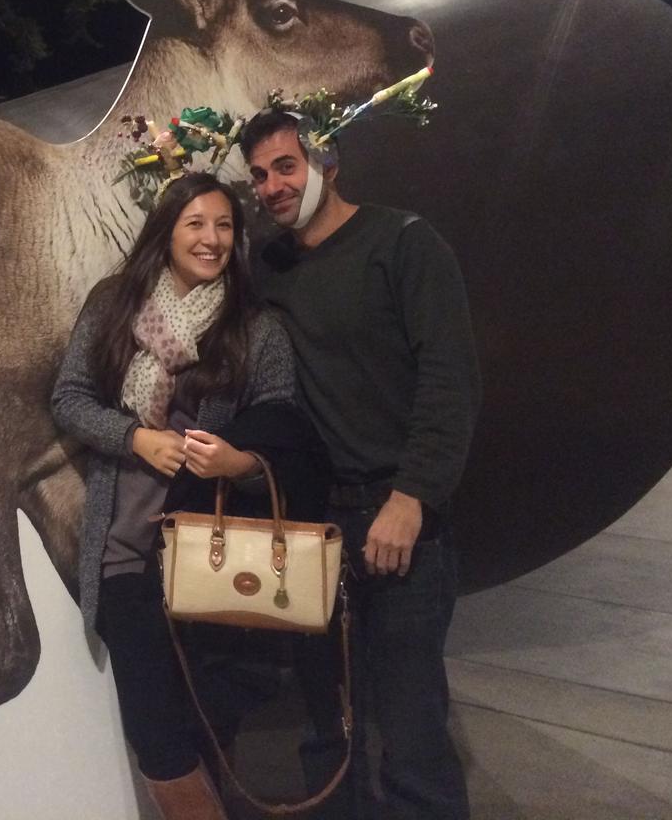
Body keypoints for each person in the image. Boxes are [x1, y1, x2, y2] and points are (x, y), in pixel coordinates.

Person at [51, 171, 331, 820]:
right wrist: (134, 439)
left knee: (210, 727)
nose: (211, 239)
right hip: (127, 553)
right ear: (167, 230)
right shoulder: (114, 304)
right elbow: (69, 399)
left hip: (212, 556)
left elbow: (285, 436)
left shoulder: (255, 329)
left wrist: (238, 462)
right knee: (157, 734)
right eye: (196, 224)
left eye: (225, 226)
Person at [239, 109, 479, 820]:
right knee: (327, 724)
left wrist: (412, 498)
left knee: (410, 732)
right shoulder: (267, 268)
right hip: (314, 524)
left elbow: (450, 379)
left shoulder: (403, 243)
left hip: (397, 518)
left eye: (286, 166)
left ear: (327, 162)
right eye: (258, 175)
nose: (272, 186)